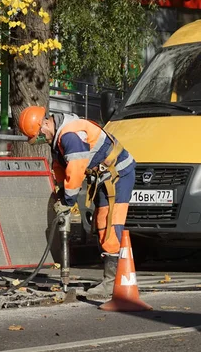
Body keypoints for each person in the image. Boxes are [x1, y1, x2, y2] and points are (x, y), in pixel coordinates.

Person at [17, 106, 136, 298]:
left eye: (39, 134)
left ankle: (113, 282)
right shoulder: (58, 138)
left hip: (119, 174)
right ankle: (110, 278)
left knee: (110, 225)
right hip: (105, 177)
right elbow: (61, 167)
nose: (40, 139)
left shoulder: (70, 135)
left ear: (46, 123)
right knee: (101, 223)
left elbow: (76, 168)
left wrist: (67, 200)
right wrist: (61, 194)